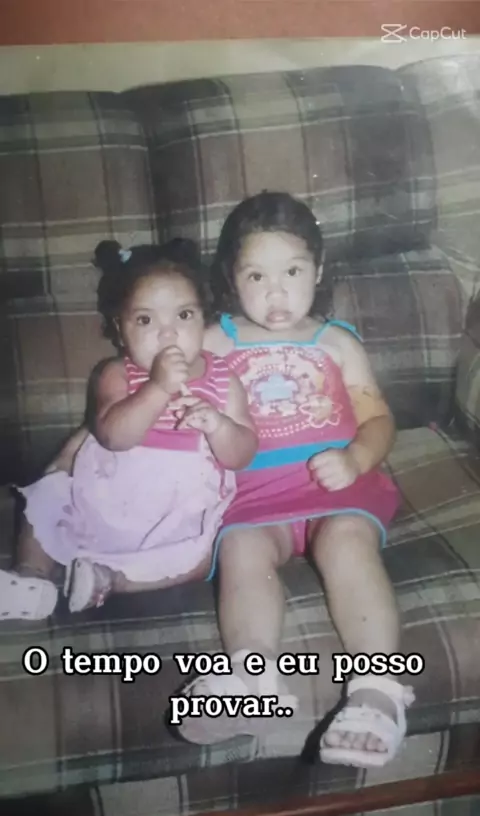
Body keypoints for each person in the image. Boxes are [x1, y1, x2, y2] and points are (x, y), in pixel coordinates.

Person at [174, 191, 414, 768]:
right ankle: (249, 677)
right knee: (242, 548)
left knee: (347, 542)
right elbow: (169, 394)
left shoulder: (336, 342)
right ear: (232, 277)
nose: (276, 293)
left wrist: (356, 458)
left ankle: (378, 692)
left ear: (319, 270)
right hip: (255, 498)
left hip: (338, 490)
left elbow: (379, 419)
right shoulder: (216, 340)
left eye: (292, 272)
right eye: (256, 275)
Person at [0, 238, 256, 620]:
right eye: (146, 320)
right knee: (47, 496)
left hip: (179, 510)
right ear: (120, 330)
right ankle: (30, 577)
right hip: (104, 495)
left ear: (204, 320)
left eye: (184, 315)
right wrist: (157, 389)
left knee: (208, 555)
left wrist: (219, 426)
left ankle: (110, 580)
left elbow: (242, 454)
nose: (167, 334)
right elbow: (112, 436)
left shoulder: (223, 379)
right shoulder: (117, 374)